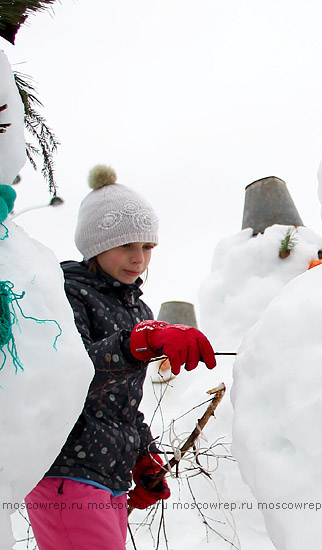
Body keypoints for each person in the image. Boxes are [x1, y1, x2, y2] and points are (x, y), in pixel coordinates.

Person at [24, 165, 217, 550]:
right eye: (127, 245)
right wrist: (138, 342)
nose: (139, 258)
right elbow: (70, 373)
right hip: (65, 470)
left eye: (147, 247)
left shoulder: (137, 310)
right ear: (97, 245)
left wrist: (143, 457)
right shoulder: (66, 294)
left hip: (106, 475)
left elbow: (122, 402)